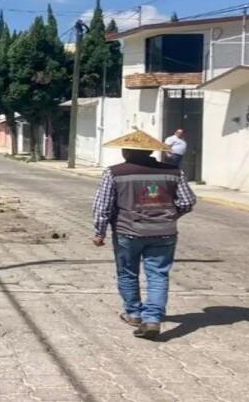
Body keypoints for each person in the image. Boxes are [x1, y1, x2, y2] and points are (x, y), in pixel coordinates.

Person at [91, 130, 196, 340]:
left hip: (128, 231)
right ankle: (153, 319)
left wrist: (99, 232)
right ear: (150, 152)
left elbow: (103, 206)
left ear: (126, 152)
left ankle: (134, 314)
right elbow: (187, 202)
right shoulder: (174, 172)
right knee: (158, 275)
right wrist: (169, 216)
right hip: (164, 233)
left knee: (127, 273)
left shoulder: (115, 173)